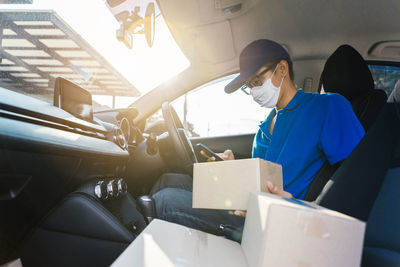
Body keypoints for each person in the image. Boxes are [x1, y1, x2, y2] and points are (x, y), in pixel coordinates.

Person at [151, 39, 365, 241]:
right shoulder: (265, 127)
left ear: (282, 69)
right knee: (167, 180)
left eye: (257, 81)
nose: (254, 91)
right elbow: (261, 181)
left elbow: (357, 179)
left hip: (282, 222)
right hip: (251, 208)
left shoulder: (327, 107)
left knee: (164, 201)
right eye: (249, 86)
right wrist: (234, 168)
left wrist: (302, 209)